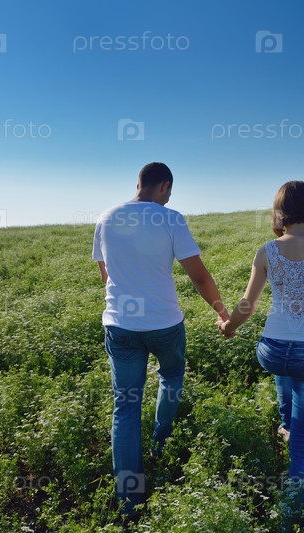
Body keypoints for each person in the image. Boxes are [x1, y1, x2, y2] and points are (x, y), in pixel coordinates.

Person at [93, 162, 230, 516]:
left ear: (138, 183)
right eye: (170, 191)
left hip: (120, 326)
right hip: (164, 324)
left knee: (125, 407)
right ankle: (161, 442)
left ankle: (129, 502)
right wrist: (222, 312)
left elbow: (105, 274)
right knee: (170, 376)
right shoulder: (170, 219)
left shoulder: (106, 217)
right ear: (164, 186)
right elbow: (199, 277)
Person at [217, 181, 304, 503]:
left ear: (279, 212)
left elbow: (247, 304)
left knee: (286, 365)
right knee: (303, 440)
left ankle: (286, 425)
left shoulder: (267, 250)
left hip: (271, 350)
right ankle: (298, 508)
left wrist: (227, 326)